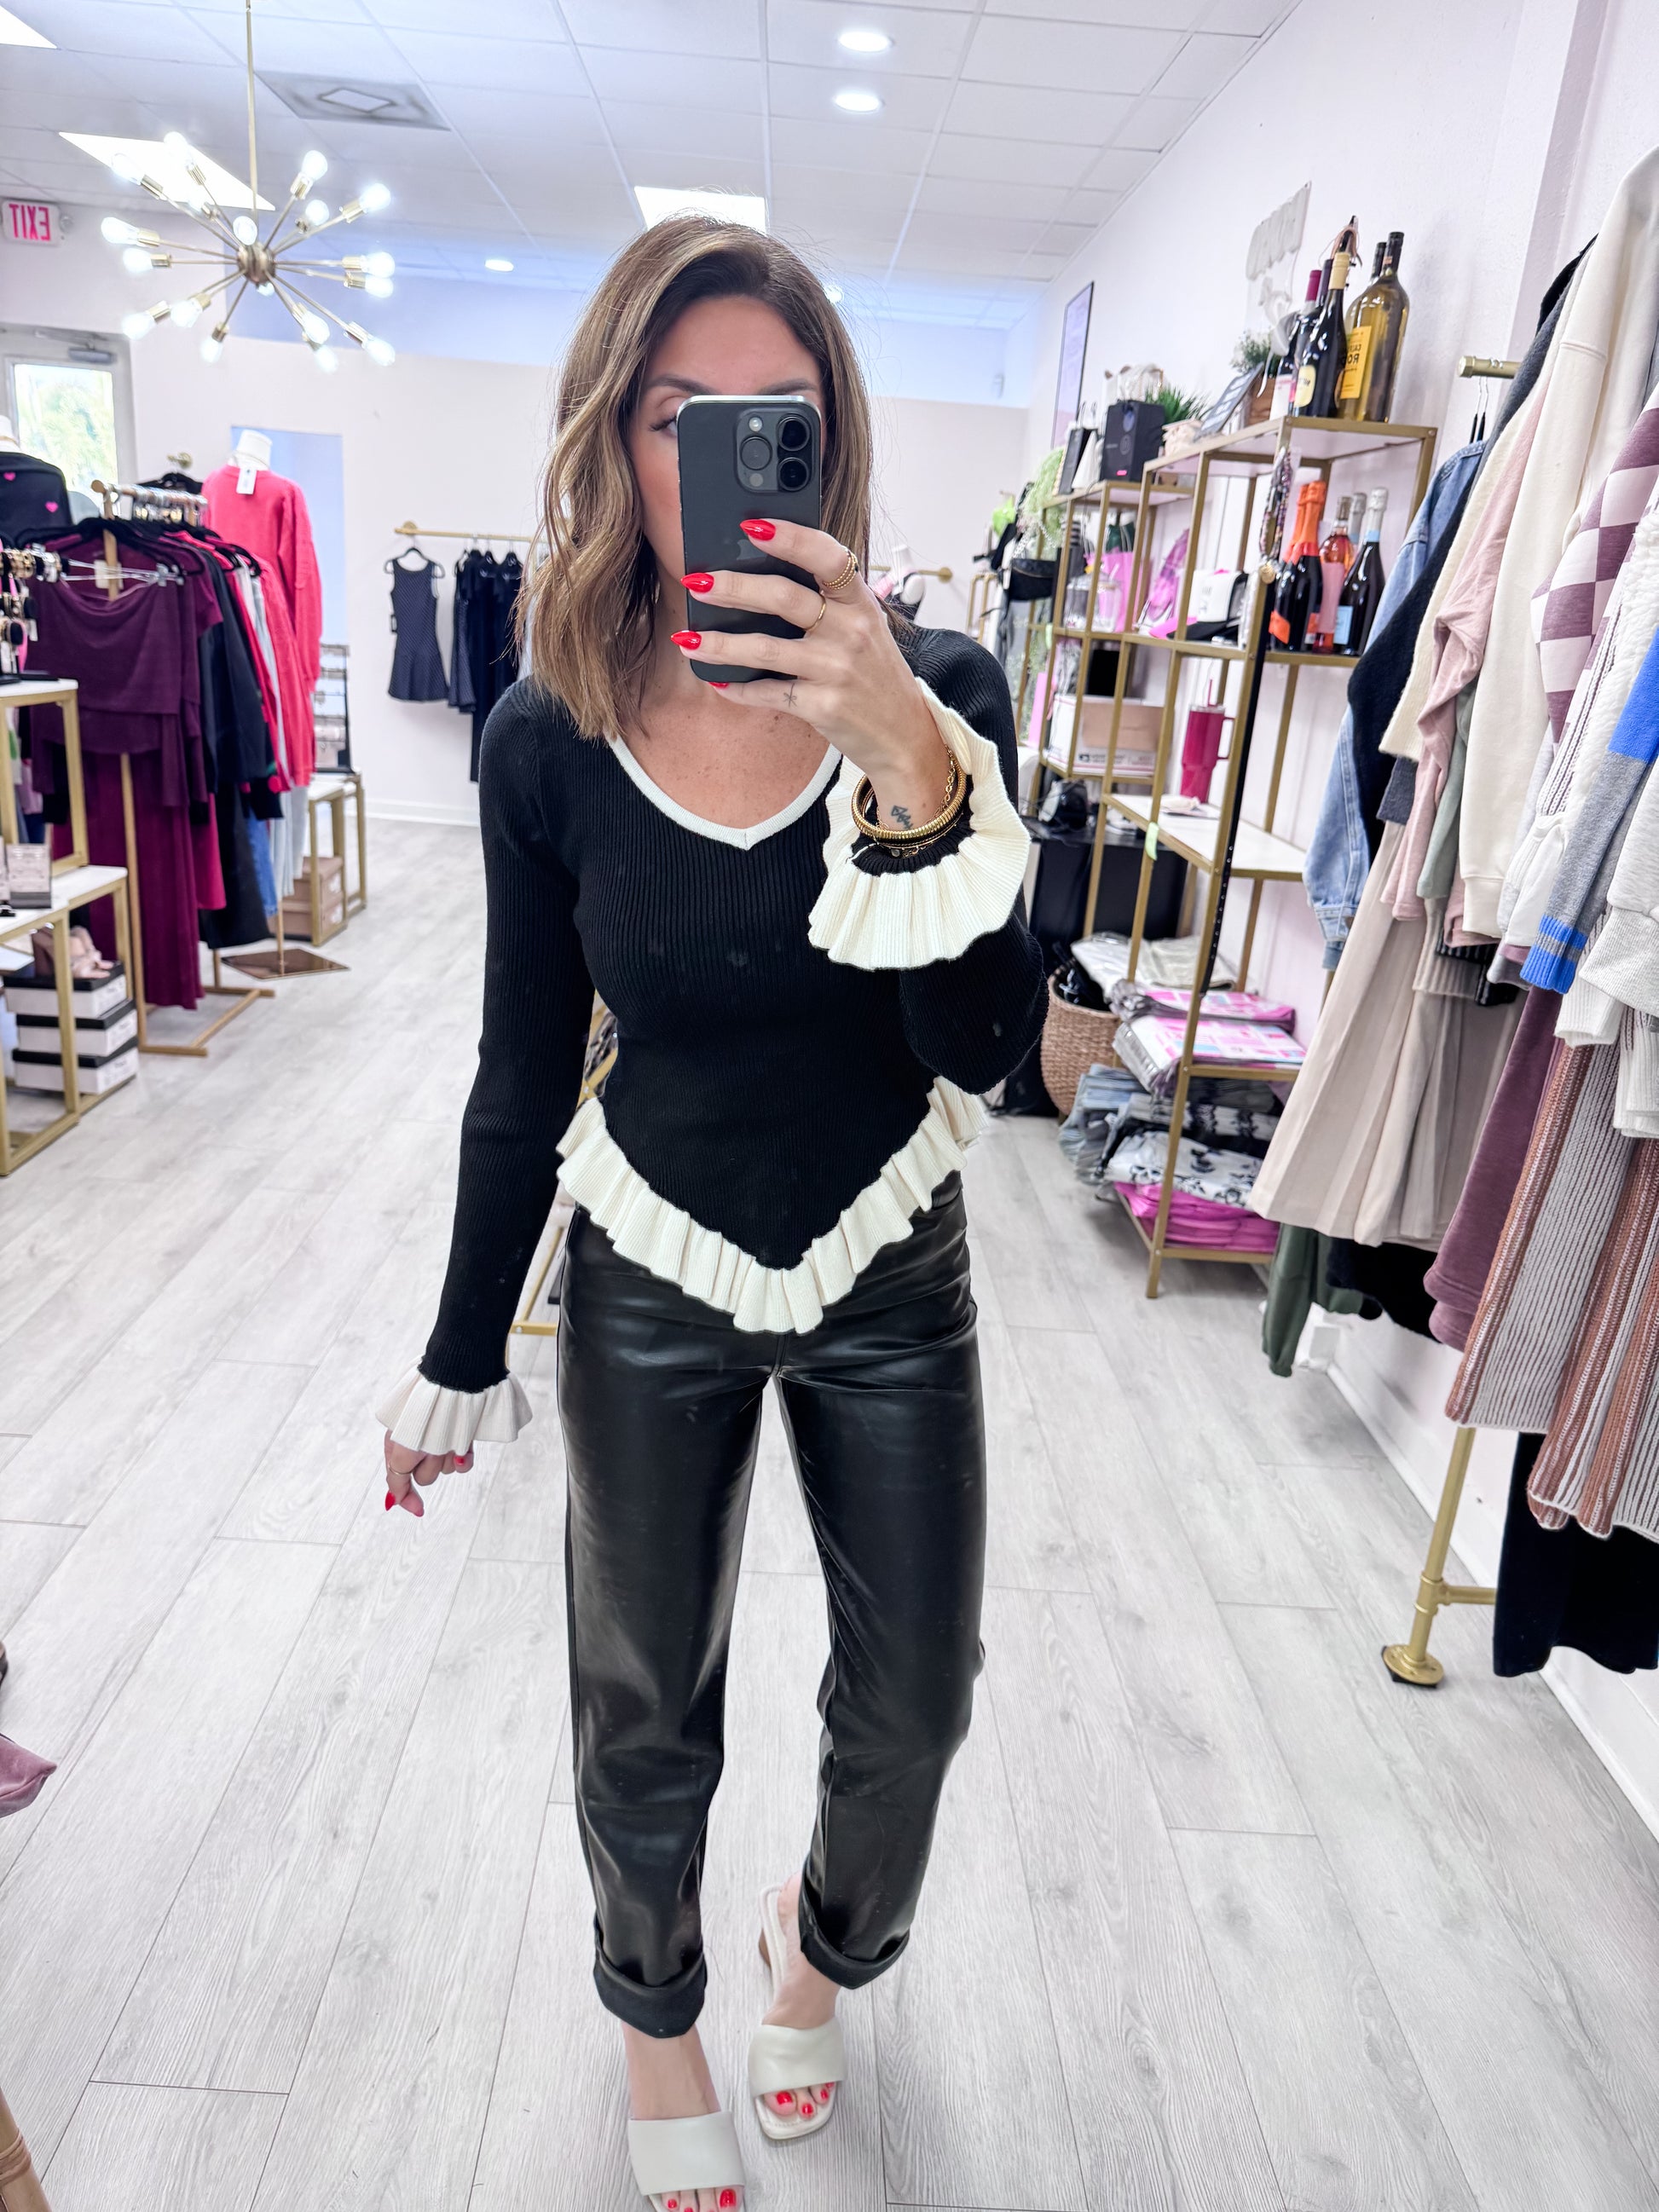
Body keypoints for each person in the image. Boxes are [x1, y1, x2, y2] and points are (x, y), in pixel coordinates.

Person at [375, 216, 1045, 2211]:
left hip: (888, 1260)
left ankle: (814, 1950)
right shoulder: (545, 728)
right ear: (616, 435)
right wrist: (452, 1353)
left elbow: (988, 1048)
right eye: (676, 413)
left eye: (771, 415)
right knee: (640, 1706)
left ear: (826, 440)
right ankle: (655, 2020)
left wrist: (904, 757)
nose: (719, 456)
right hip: (649, 1261)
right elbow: (520, 1068)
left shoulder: (941, 686)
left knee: (914, 1699)